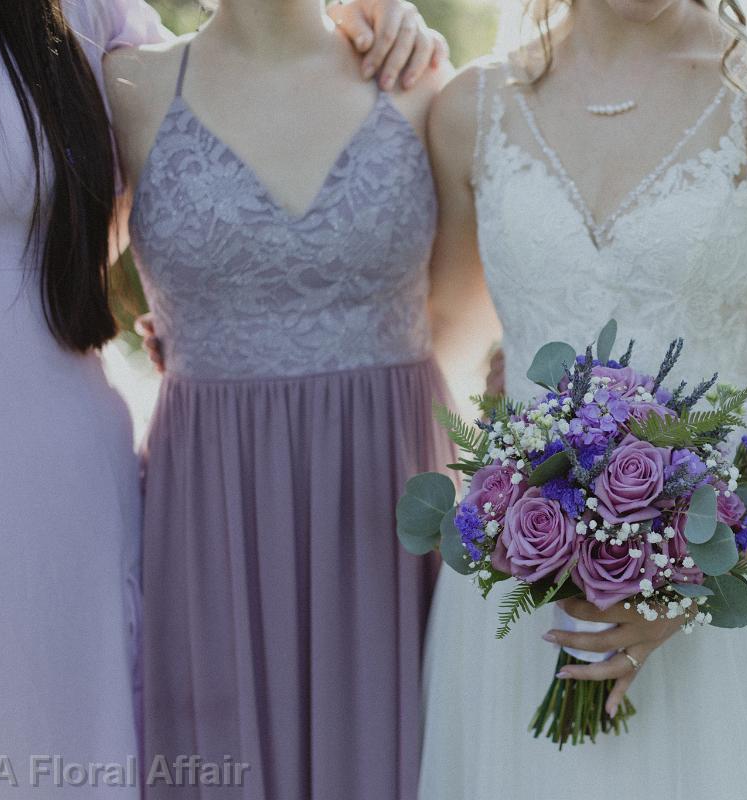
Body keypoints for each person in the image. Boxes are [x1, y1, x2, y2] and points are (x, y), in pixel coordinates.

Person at [416, 0, 747, 794]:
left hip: (729, 570)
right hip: (525, 590)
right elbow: (442, 350)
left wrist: (695, 574)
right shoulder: (468, 109)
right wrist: (520, 499)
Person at [104, 0, 454, 796]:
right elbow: (64, 289)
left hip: (389, 510)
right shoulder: (127, 89)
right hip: (213, 517)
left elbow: (471, 315)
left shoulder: (423, 82)